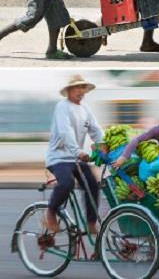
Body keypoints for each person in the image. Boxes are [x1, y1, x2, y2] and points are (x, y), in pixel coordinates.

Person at [45, 74, 104, 234]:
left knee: (93, 184)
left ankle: (91, 222)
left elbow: (96, 130)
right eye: (77, 87)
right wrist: (78, 151)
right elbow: (65, 132)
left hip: (75, 159)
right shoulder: (62, 107)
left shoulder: (85, 109)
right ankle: (51, 211)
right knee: (66, 183)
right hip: (58, 158)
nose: (81, 91)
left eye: (82, 87)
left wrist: (103, 145)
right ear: (69, 90)